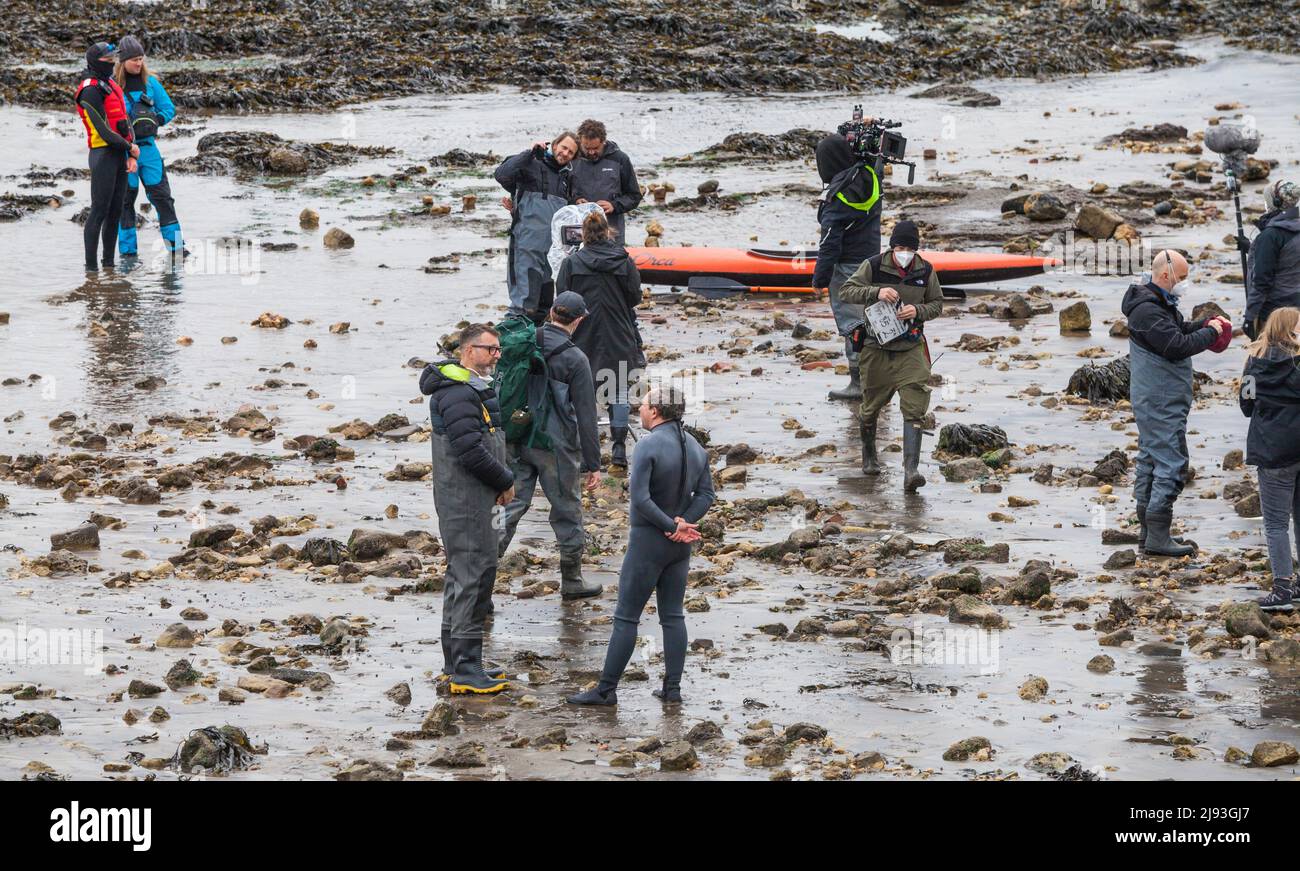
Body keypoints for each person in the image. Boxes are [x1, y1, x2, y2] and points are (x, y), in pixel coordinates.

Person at [567, 386, 716, 706]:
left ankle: (606, 690)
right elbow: (706, 496)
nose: (640, 409)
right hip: (679, 547)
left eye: (645, 404)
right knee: (673, 616)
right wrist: (683, 523)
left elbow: (641, 499)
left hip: (649, 541)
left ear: (657, 412)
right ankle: (672, 690)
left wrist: (669, 525)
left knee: (626, 618)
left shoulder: (648, 446)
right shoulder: (695, 447)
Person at [420, 324, 516, 694]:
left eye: (498, 349)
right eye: (489, 349)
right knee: (472, 575)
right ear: (467, 350)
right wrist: (505, 480)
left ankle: (458, 662)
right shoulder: (458, 393)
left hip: (476, 496)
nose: (496, 355)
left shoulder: (472, 388)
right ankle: (465, 668)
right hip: (464, 499)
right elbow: (470, 451)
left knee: (467, 574)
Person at [1121, 250, 1229, 558]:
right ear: (1165, 276)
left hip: (1159, 397)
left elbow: (1178, 331)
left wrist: (1206, 325)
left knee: (1151, 460)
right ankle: (1157, 535)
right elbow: (1175, 346)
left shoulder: (1156, 303)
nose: (1184, 284)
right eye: (1181, 278)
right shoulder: (1147, 311)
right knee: (1171, 462)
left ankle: (1149, 532)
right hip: (1159, 399)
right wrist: (1211, 333)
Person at [497, 291, 604, 599]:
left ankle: (480, 581)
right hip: (554, 447)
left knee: (510, 506)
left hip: (515, 437)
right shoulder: (575, 359)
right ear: (579, 320)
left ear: (552, 314)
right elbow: (586, 415)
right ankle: (572, 581)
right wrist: (593, 464)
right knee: (567, 510)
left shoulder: (524, 342)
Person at [838, 220, 943, 492]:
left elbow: (937, 304)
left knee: (915, 403)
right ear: (892, 247)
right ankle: (869, 455)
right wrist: (876, 292)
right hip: (876, 348)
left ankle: (911, 472)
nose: (904, 252)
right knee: (871, 407)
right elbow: (845, 292)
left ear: (917, 249)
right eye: (899, 247)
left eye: (909, 248)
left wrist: (917, 311)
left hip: (911, 348)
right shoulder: (873, 265)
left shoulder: (925, 270)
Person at [557, 210, 645, 471]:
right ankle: (618, 452)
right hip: (619, 333)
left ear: (583, 235)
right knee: (618, 390)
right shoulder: (624, 260)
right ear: (608, 232)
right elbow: (635, 297)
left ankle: (586, 457)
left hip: (582, 334)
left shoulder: (572, 263)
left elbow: (562, 301)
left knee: (583, 396)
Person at [812, 130, 882, 401]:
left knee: (853, 324)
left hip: (846, 268)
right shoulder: (870, 178)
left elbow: (830, 243)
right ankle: (878, 377)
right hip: (872, 261)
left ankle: (860, 384)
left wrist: (820, 278)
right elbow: (876, 163)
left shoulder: (837, 196)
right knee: (871, 320)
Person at [1239, 307, 1300, 610]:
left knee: (1276, 523)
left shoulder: (1255, 363)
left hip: (1273, 451)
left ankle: (1282, 589)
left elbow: (1247, 406)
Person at [494, 132, 577, 321]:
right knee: (523, 306)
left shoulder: (567, 178)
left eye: (571, 152)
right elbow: (501, 174)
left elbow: (569, 216)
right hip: (526, 247)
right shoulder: (530, 164)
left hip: (551, 253)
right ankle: (511, 347)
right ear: (554, 145)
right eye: (564, 147)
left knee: (543, 307)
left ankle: (537, 348)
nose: (565, 153)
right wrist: (530, 152)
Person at [113, 36, 183, 260]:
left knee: (163, 199)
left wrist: (155, 120)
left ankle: (177, 249)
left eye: (141, 59)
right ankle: (128, 254)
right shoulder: (113, 85)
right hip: (124, 153)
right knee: (125, 202)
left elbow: (168, 108)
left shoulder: (151, 82)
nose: (138, 64)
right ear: (122, 61)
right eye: (134, 60)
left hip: (149, 150)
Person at [75, 42, 137, 271]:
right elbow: (103, 131)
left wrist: (131, 152)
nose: (113, 63)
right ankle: (91, 271)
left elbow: (125, 121)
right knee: (99, 210)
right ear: (96, 62)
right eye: (108, 60)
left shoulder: (110, 83)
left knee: (115, 211)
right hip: (103, 154)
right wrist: (129, 148)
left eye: (114, 59)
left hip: (120, 153)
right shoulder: (89, 89)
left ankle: (109, 266)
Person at [570, 119, 642, 245]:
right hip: (578, 231)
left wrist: (614, 205)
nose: (591, 152)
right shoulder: (571, 158)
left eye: (596, 148)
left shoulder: (620, 159)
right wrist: (574, 200)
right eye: (586, 148)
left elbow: (634, 196)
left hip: (611, 232)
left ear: (604, 141)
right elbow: (560, 192)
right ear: (580, 141)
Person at [1244, 180, 1300, 340]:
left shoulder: (1270, 236)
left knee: (1269, 359)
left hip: (1275, 313)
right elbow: (1287, 260)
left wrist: (1250, 317)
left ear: (1275, 202)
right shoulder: (1294, 229)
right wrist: (1251, 248)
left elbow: (1262, 282)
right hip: (1296, 307)